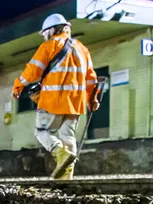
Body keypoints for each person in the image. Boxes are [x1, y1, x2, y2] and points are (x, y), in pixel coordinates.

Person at [12, 14, 99, 181]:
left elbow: (33, 70)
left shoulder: (49, 46)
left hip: (53, 100)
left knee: (43, 132)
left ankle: (60, 153)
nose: (44, 36)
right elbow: (91, 78)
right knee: (68, 137)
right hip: (75, 102)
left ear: (52, 30)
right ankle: (66, 178)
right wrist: (91, 99)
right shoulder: (82, 49)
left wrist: (18, 85)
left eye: (45, 33)